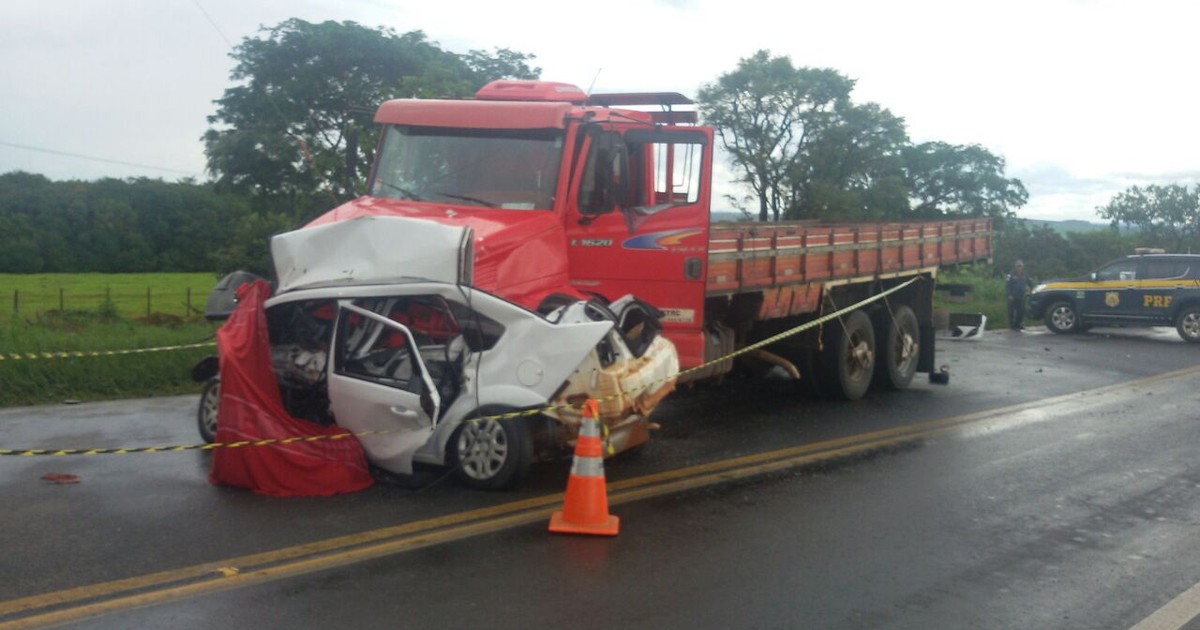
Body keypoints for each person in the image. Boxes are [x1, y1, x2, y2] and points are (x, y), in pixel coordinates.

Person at [1006, 260, 1033, 330]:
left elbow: (1030, 283)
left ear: (1022, 267)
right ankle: (1012, 326)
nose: (1019, 268)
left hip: (1021, 296)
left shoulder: (1025, 275)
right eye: (1018, 266)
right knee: (1011, 312)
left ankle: (1018, 324)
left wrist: (1031, 290)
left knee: (1021, 312)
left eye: (1020, 266)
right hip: (1012, 296)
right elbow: (1008, 285)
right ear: (1015, 267)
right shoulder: (1010, 275)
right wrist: (1009, 294)